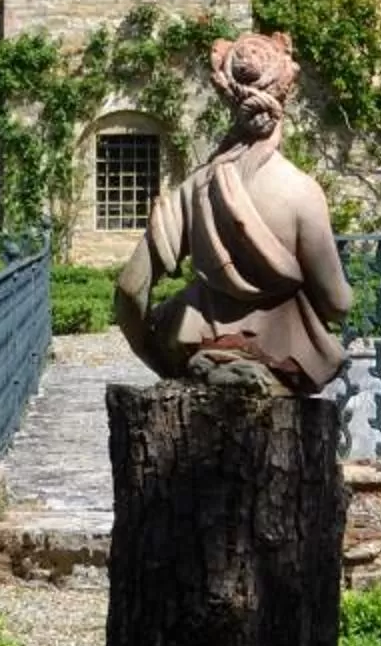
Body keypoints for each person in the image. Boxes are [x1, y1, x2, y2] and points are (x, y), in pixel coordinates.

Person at [113, 32, 353, 393]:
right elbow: (337, 304)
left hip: (196, 342)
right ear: (287, 92)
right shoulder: (303, 192)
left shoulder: (196, 188)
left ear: (229, 98)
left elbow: (131, 289)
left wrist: (155, 356)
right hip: (287, 355)